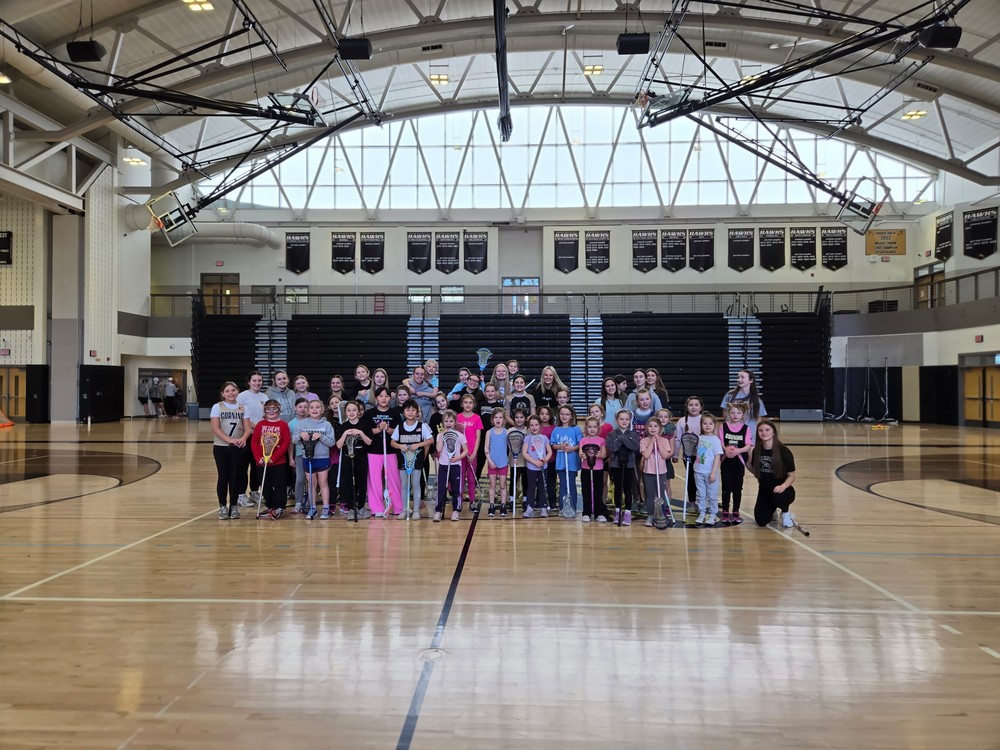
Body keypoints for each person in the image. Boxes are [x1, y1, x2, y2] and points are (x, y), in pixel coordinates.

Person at [292, 399, 336, 519]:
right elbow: (294, 440)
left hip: (322, 458)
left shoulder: (326, 425)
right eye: (311, 407)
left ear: (322, 410)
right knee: (311, 484)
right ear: (307, 410)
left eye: (317, 407)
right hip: (308, 458)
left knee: (323, 483)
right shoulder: (302, 424)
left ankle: (325, 508)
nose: (314, 409)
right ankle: (312, 508)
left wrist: (321, 437)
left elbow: (331, 442)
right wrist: (300, 435)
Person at [748, 419, 797, 528]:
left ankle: (785, 513)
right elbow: (756, 472)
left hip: (782, 490)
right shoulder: (757, 450)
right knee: (761, 521)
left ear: (773, 432)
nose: (764, 433)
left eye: (767, 430)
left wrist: (782, 486)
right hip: (765, 490)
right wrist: (745, 460)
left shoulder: (784, 451)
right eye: (761, 430)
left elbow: (792, 476)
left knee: (779, 497)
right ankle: (772, 509)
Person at [210, 381, 248, 520]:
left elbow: (247, 428)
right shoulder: (217, 407)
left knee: (235, 476)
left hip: (238, 447)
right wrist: (229, 439)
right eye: (227, 391)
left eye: (233, 390)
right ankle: (222, 506)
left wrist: (243, 438)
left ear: (238, 391)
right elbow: (216, 428)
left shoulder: (243, 407)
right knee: (223, 476)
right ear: (222, 393)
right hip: (221, 447)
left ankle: (234, 506)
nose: (231, 393)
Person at [391, 400, 434, 519]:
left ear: (417, 412)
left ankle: (416, 510)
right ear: (403, 412)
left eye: (413, 410)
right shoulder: (400, 427)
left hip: (417, 459)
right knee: (404, 484)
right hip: (403, 459)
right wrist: (400, 446)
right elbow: (392, 442)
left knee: (416, 484)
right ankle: (405, 509)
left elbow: (431, 440)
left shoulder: (422, 426)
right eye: (407, 410)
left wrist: (418, 444)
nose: (410, 412)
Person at [250, 400, 292, 519]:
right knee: (265, 486)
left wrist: (274, 458)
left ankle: (279, 507)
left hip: (278, 462)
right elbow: (254, 442)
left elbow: (286, 443)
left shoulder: (283, 425)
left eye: (274, 409)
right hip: (262, 462)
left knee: (279, 485)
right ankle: (270, 506)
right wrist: (258, 457)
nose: (271, 411)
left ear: (279, 410)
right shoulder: (260, 424)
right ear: (265, 411)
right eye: (268, 409)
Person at [365, 386, 402, 519]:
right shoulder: (369, 413)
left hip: (391, 451)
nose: (383, 399)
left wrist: (388, 429)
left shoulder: (395, 414)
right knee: (374, 481)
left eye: (386, 396)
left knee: (394, 480)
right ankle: (377, 508)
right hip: (374, 451)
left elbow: (399, 432)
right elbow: (366, 431)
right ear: (376, 398)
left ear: (390, 398)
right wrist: (378, 429)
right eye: (381, 396)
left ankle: (397, 507)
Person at [335, 400, 373, 520]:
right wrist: (345, 434)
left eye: (354, 410)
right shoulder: (343, 426)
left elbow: (369, 442)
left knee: (362, 483)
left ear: (358, 411)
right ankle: (351, 509)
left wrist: (360, 432)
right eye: (349, 410)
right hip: (348, 459)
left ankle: (361, 507)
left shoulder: (365, 424)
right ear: (345, 412)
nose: (351, 413)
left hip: (361, 458)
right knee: (349, 484)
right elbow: (339, 445)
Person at [235, 372, 269, 508]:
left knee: (256, 466)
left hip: (260, 437)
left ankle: (254, 491)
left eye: (259, 380)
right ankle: (240, 495)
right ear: (249, 382)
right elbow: (241, 416)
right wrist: (256, 426)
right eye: (254, 380)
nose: (257, 383)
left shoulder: (264, 397)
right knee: (243, 466)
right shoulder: (242, 396)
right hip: (246, 436)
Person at [719, 402, 753, 525]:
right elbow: (720, 442)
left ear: (743, 415)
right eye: (733, 412)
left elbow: (748, 445)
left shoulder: (746, 428)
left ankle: (736, 510)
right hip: (726, 460)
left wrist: (738, 451)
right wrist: (726, 450)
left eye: (738, 413)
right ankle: (725, 510)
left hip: (739, 461)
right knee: (726, 486)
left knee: (737, 487)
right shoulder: (723, 426)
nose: (735, 415)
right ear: (729, 413)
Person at [606, 408, 640, 526]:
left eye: (626, 419)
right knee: (618, 488)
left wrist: (622, 439)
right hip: (616, 465)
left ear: (630, 420)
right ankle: (617, 511)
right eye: (621, 419)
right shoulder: (612, 434)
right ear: (617, 420)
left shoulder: (633, 434)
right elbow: (612, 448)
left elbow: (634, 447)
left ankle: (628, 512)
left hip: (629, 465)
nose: (624, 421)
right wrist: (622, 440)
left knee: (627, 488)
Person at [639, 416, 674, 527]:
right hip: (648, 472)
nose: (653, 428)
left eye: (655, 426)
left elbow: (665, 455)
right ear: (646, 428)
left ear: (660, 428)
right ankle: (650, 516)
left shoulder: (664, 441)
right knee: (650, 495)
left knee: (661, 495)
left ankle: (661, 514)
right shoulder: (643, 441)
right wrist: (651, 443)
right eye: (650, 426)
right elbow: (646, 455)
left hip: (661, 472)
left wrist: (658, 442)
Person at [434, 410, 468, 522]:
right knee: (441, 489)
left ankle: (455, 510)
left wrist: (458, 458)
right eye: (446, 421)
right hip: (443, 465)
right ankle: (438, 511)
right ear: (442, 423)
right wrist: (442, 436)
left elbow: (465, 450)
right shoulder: (440, 435)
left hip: (455, 466)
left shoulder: (460, 435)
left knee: (455, 489)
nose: (448, 423)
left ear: (455, 422)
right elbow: (438, 449)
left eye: (451, 421)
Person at [675, 396, 706, 512]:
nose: (693, 407)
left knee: (701, 478)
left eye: (696, 405)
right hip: (688, 455)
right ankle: (692, 502)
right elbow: (678, 439)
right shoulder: (682, 421)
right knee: (691, 479)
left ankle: (702, 501)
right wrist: (675, 454)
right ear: (687, 407)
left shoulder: (704, 419)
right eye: (691, 405)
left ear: (701, 407)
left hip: (702, 454)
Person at [551, 405, 582, 518]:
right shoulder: (556, 429)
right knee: (563, 484)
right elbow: (553, 444)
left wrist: (571, 449)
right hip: (561, 462)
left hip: (572, 462)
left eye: (567, 414)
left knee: (571, 484)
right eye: (562, 414)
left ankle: (572, 507)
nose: (564, 416)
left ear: (572, 416)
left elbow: (580, 444)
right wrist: (559, 446)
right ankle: (562, 508)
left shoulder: (576, 429)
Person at [694, 413, 723, 526]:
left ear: (714, 425)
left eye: (710, 423)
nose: (707, 425)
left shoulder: (715, 440)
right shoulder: (699, 438)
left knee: (712, 495)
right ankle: (701, 513)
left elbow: (717, 457)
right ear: (701, 425)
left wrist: (713, 472)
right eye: (705, 423)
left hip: (710, 472)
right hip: (698, 471)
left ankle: (712, 515)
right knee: (701, 494)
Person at [456, 394, 484, 509]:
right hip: (460, 453)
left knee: (471, 479)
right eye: (466, 402)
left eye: (470, 403)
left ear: (474, 405)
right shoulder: (457, 417)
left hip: (472, 454)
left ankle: (472, 501)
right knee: (460, 478)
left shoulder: (477, 418)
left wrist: (474, 453)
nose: (468, 405)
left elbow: (478, 437)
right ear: (462, 404)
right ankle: (459, 501)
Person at [578, 416, 608, 523]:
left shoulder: (602, 440)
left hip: (598, 469)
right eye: (589, 427)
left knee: (598, 491)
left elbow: (604, 454)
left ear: (598, 428)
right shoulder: (583, 440)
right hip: (586, 468)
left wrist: (600, 455)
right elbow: (580, 453)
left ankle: (598, 513)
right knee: (586, 491)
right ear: (586, 428)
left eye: (594, 427)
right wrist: (582, 455)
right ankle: (586, 513)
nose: (592, 429)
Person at [522, 414, 553, 519]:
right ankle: (529, 507)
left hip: (543, 467)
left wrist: (545, 459)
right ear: (529, 427)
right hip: (532, 468)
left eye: (536, 425)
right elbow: (524, 453)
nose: (534, 427)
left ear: (540, 426)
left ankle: (543, 508)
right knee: (531, 487)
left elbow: (549, 451)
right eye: (531, 425)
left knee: (542, 487)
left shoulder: (544, 438)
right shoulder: (527, 438)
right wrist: (534, 462)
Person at [721, 370, 767, 435]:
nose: (739, 379)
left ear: (751, 380)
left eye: (742, 377)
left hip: (750, 434)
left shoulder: (756, 400)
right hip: (732, 434)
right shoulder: (729, 395)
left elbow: (759, 419)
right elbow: (725, 415)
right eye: (738, 377)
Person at [483, 408, 509, 518]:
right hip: (492, 463)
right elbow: (486, 448)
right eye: (496, 417)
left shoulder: (506, 432)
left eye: (500, 418)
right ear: (492, 419)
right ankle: (491, 505)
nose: (498, 420)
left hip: (503, 462)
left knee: (502, 485)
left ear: (504, 420)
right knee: (492, 485)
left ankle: (503, 505)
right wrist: (489, 460)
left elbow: (511, 447)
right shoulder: (489, 432)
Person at [288, 398, 310, 513]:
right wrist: (291, 458)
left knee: (311, 480)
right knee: (300, 479)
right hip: (299, 455)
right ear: (295, 408)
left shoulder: (312, 420)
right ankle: (298, 503)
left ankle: (309, 502)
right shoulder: (291, 424)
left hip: (312, 455)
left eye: (305, 407)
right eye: (300, 407)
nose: (303, 409)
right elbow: (291, 443)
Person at [507, 408, 528, 515]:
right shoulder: (509, 431)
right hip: (513, 460)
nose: (519, 419)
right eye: (517, 417)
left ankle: (525, 500)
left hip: (525, 460)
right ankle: (511, 500)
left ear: (525, 418)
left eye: (521, 417)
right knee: (513, 480)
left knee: (525, 480)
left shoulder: (528, 430)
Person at [537, 405, 558, 512]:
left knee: (551, 482)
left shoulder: (554, 428)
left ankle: (552, 501)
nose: (544, 416)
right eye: (542, 414)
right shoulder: (536, 427)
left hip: (551, 459)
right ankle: (539, 501)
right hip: (538, 460)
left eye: (547, 414)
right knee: (539, 481)